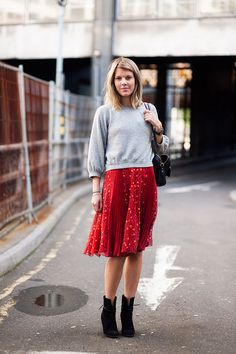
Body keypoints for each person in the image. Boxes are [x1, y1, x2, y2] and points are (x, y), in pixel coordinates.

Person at [83, 57, 169, 338]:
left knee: (137, 249)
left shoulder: (148, 109)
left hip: (145, 182)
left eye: (128, 78)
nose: (124, 82)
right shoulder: (105, 113)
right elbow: (95, 154)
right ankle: (108, 308)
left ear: (136, 81)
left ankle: (128, 311)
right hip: (117, 183)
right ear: (113, 81)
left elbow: (161, 148)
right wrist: (96, 190)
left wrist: (157, 127)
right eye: (119, 78)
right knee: (118, 250)